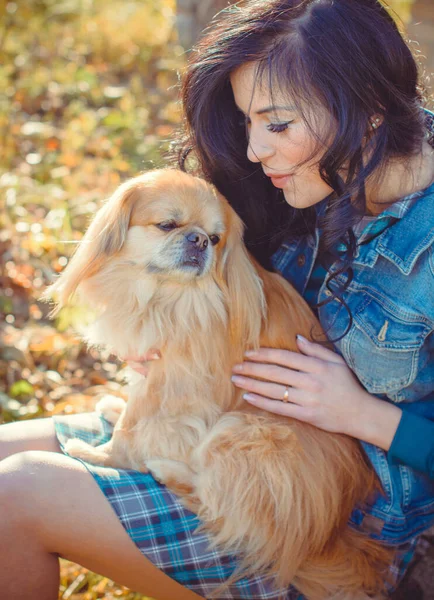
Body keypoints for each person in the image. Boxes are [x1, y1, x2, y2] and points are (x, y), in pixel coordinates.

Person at [0, 0, 433, 599]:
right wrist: (171, 339)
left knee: (16, 494)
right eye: (247, 123)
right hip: (214, 427)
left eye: (277, 125)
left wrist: (361, 413)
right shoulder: (306, 180)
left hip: (339, 533)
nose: (255, 150)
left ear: (372, 108)